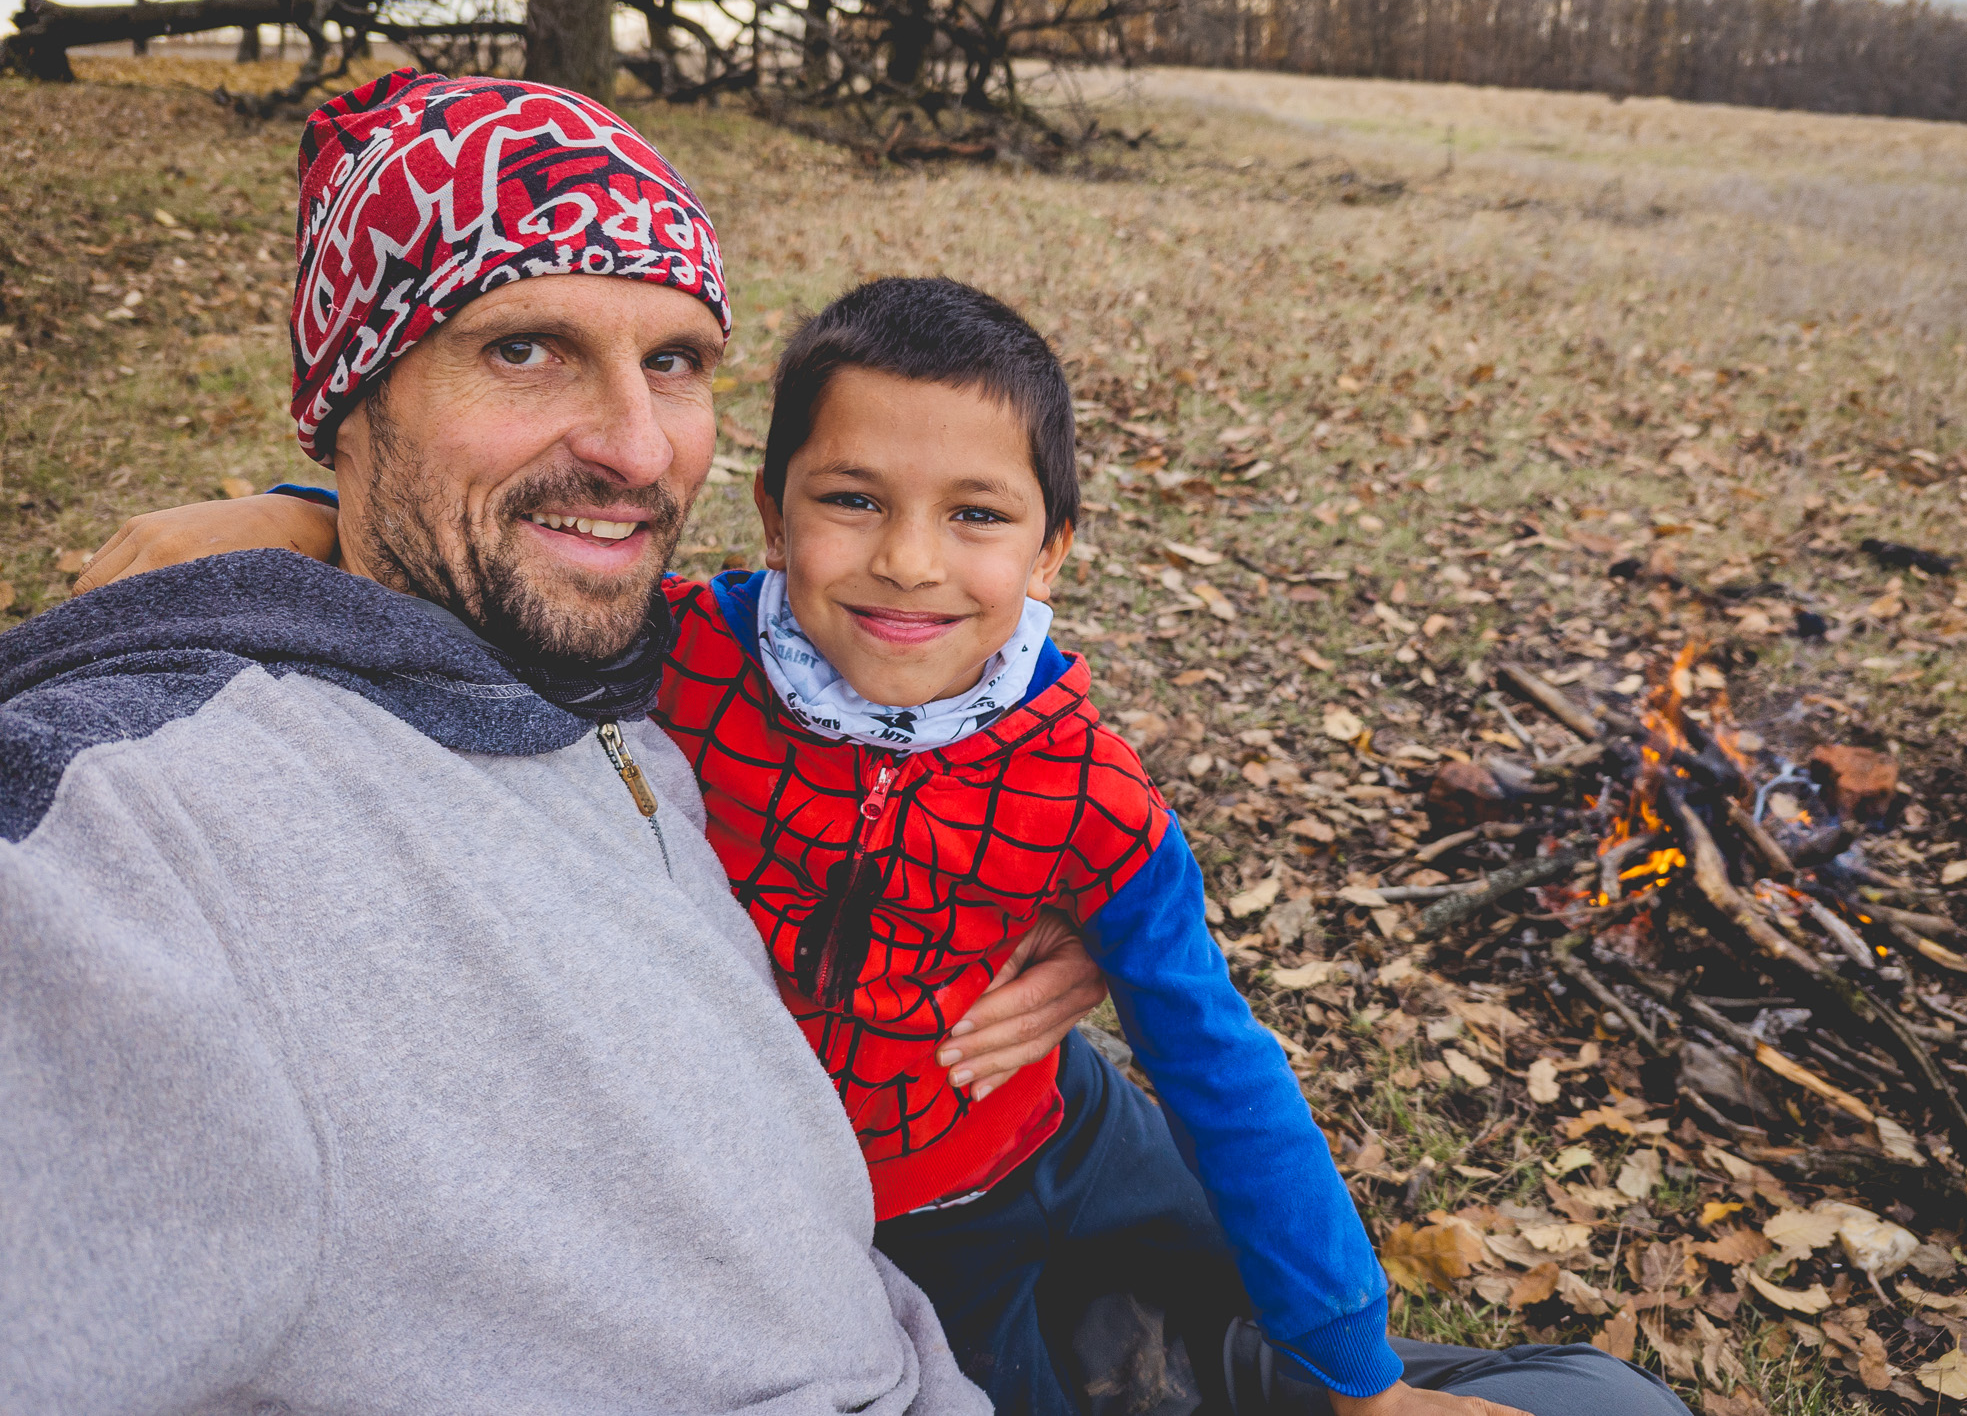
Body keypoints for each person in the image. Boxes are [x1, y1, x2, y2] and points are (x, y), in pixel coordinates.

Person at [82, 221, 1689, 1416]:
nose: (911, 562)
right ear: (771, 514)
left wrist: (1363, 1375)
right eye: (852, 502)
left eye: (977, 517)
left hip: (1071, 1133)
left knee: (1315, 1331)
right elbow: (490, 593)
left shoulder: (1088, 790)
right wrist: (292, 515)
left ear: (1053, 550)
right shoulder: (688, 656)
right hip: (885, 1222)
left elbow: (1216, 1056)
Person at [0, 69, 1104, 1416]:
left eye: (676, 362)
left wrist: (1074, 920)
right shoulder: (146, 830)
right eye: (525, 348)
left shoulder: (661, 665)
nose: (640, 452)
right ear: (356, 397)